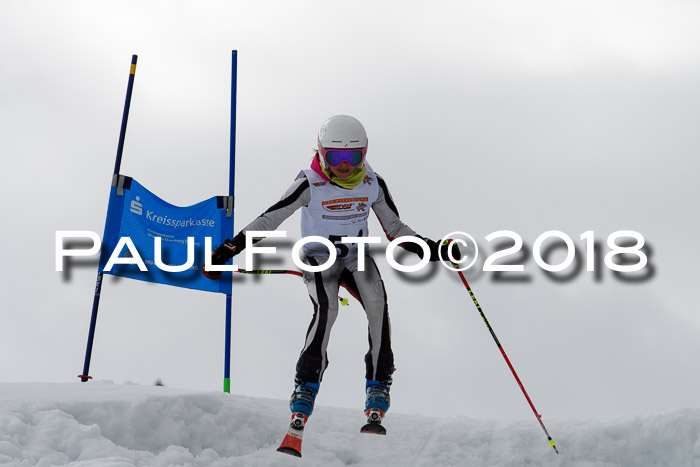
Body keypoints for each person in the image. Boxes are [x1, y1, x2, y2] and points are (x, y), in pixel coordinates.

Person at [203, 115, 459, 430]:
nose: (344, 165)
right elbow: (270, 218)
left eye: (353, 157)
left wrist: (435, 250)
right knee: (328, 308)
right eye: (336, 156)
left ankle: (378, 383)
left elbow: (395, 230)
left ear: (363, 154)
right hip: (317, 258)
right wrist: (230, 249)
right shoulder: (309, 183)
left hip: (356, 257)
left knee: (378, 305)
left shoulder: (372, 183)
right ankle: (306, 384)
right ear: (323, 153)